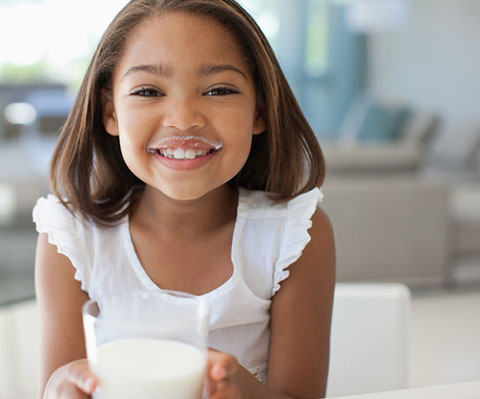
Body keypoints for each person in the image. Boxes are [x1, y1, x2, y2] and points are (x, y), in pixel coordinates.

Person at [33, 0, 336, 398]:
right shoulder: (73, 241)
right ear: (110, 112)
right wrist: (61, 385)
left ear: (259, 109)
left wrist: (235, 385)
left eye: (218, 90)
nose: (183, 118)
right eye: (148, 91)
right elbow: (56, 385)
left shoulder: (293, 237)